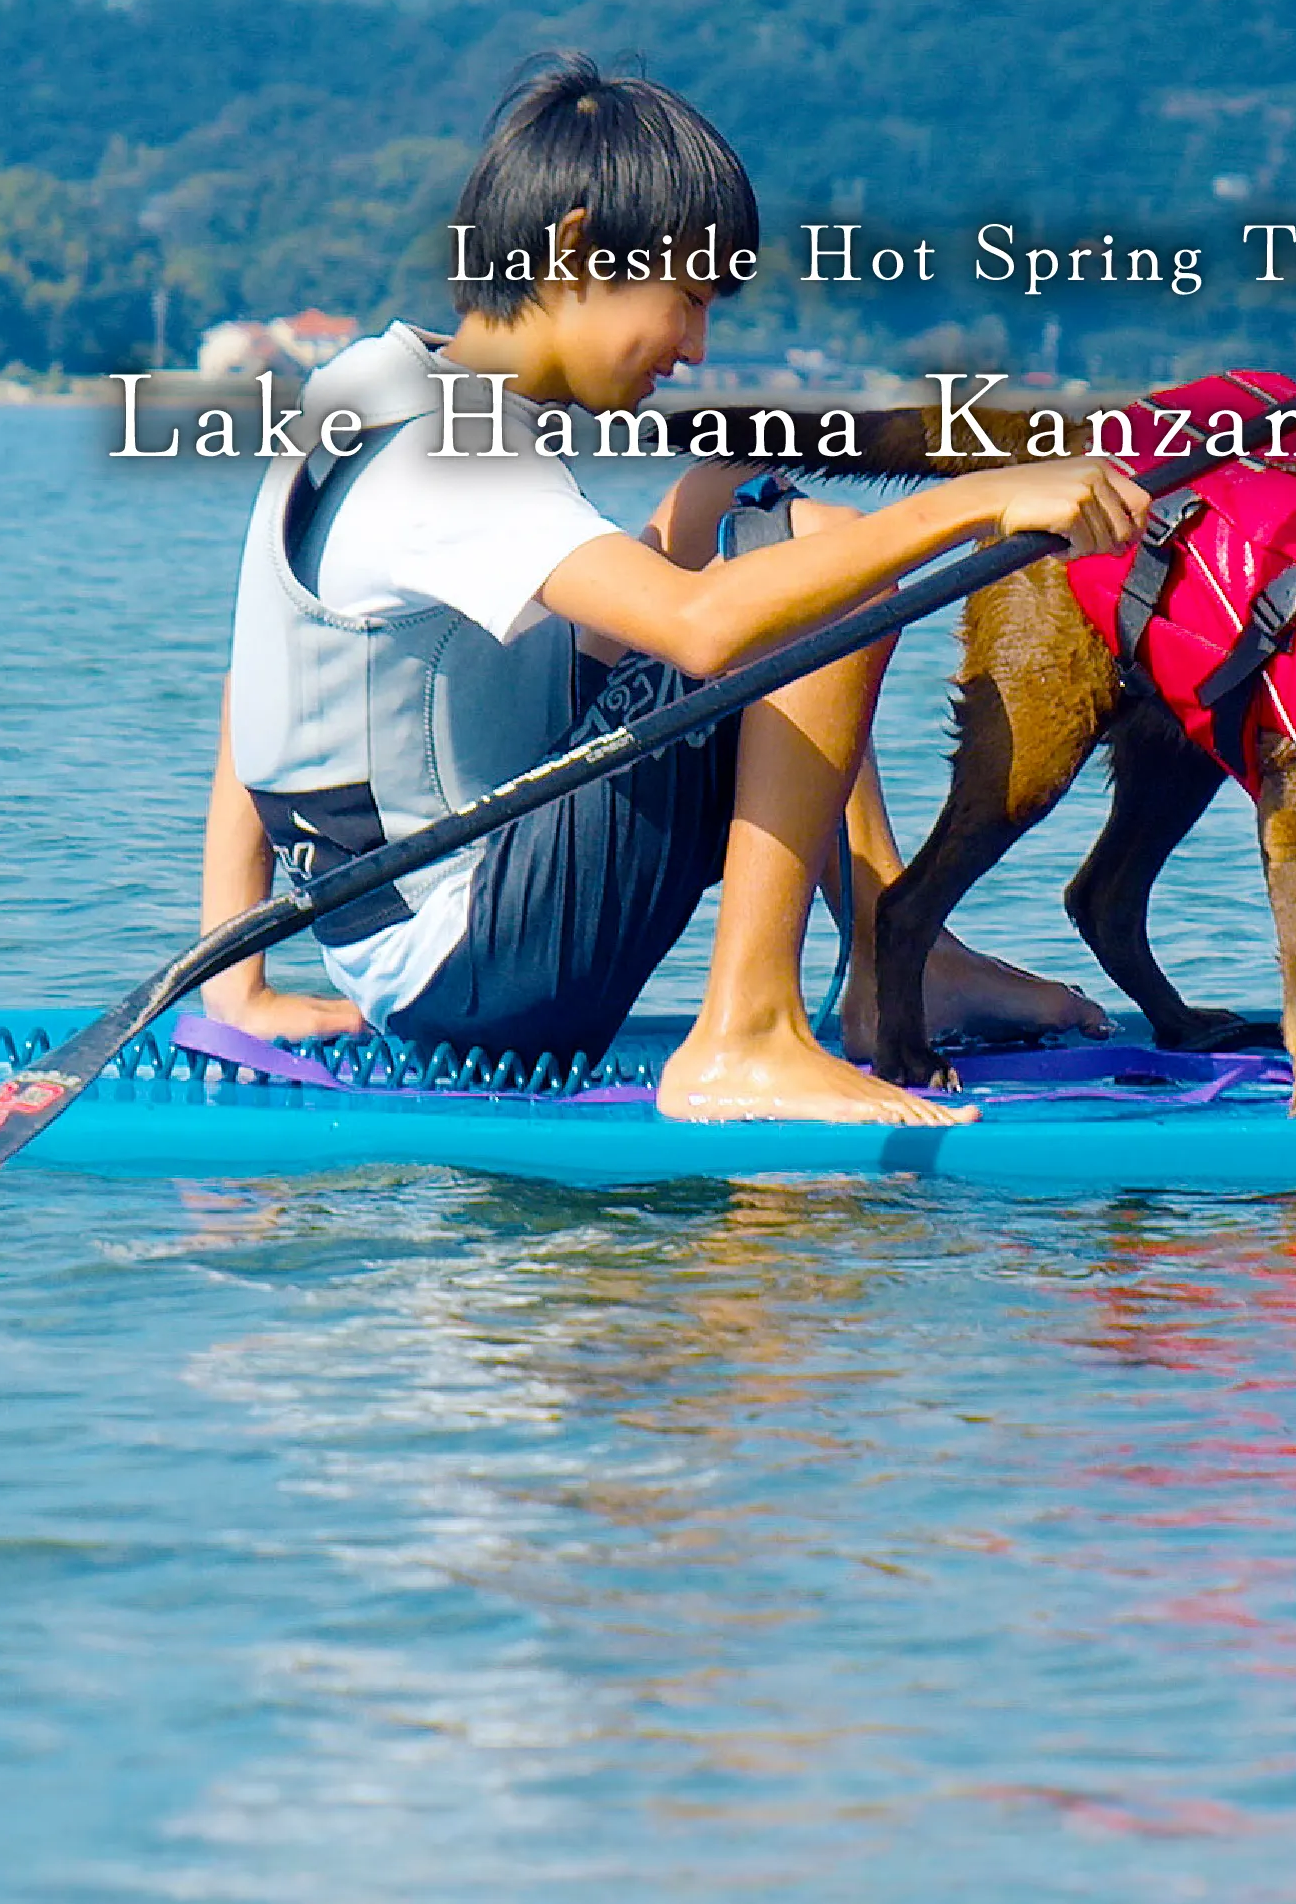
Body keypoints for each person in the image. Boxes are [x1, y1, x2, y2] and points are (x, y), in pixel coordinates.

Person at [195, 55, 1147, 1126]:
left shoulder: (371, 383)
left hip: (429, 933)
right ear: (574, 250)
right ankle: (746, 1037)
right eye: (688, 298)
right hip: (471, 975)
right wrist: (982, 501)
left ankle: (894, 953)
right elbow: (700, 631)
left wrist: (235, 981)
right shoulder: (452, 457)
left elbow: (263, 675)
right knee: (813, 586)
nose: (696, 347)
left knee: (752, 526)